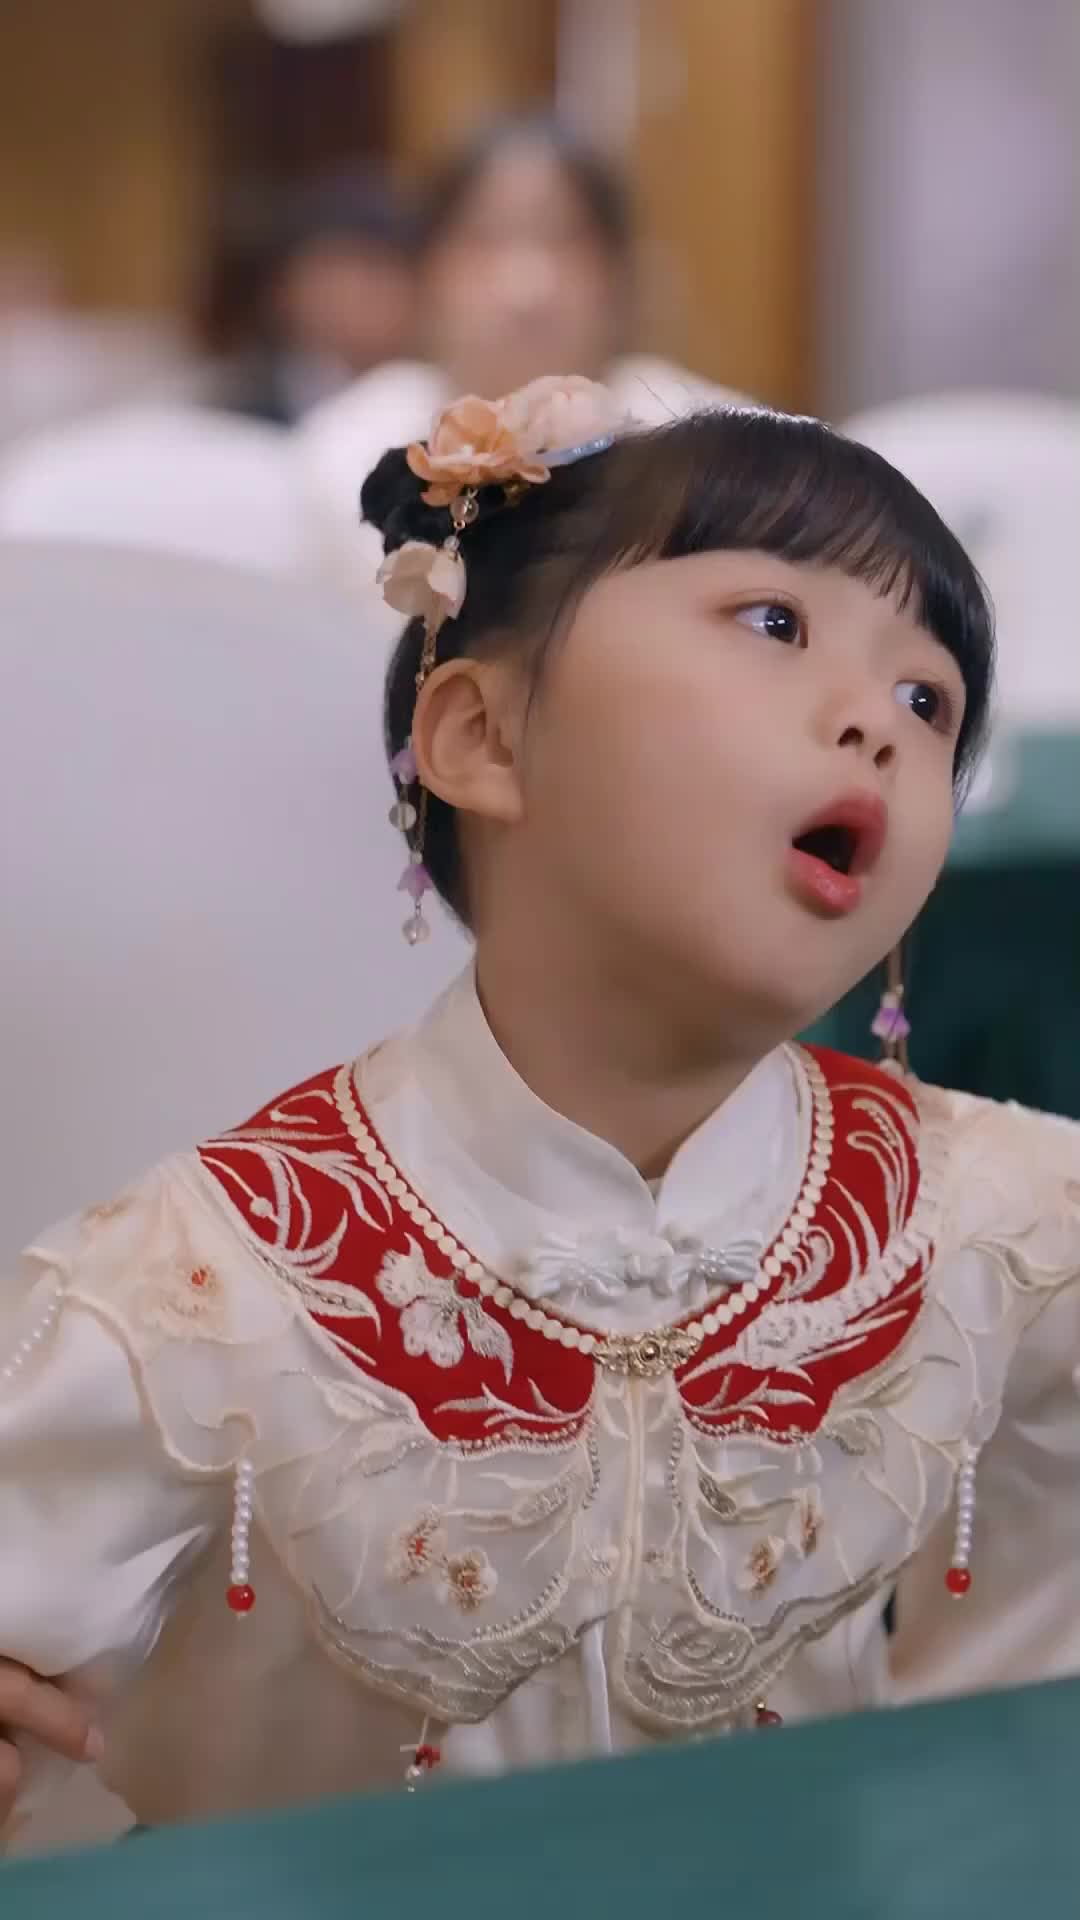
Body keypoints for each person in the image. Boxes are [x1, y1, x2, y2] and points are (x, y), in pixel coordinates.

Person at [2, 376, 1079, 1853]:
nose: (876, 725)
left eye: (929, 701)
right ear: (483, 739)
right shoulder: (213, 1276)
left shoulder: (1004, 1222)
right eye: (776, 622)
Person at [295, 118, 747, 602]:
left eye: (565, 239)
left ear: (618, 271)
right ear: (429, 268)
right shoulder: (350, 449)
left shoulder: (713, 450)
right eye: (485, 239)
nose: (527, 286)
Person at [206, 174, 418, 427]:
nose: (353, 294)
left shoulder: (432, 413)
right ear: (284, 289)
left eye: (376, 270)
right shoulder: (233, 415)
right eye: (333, 268)